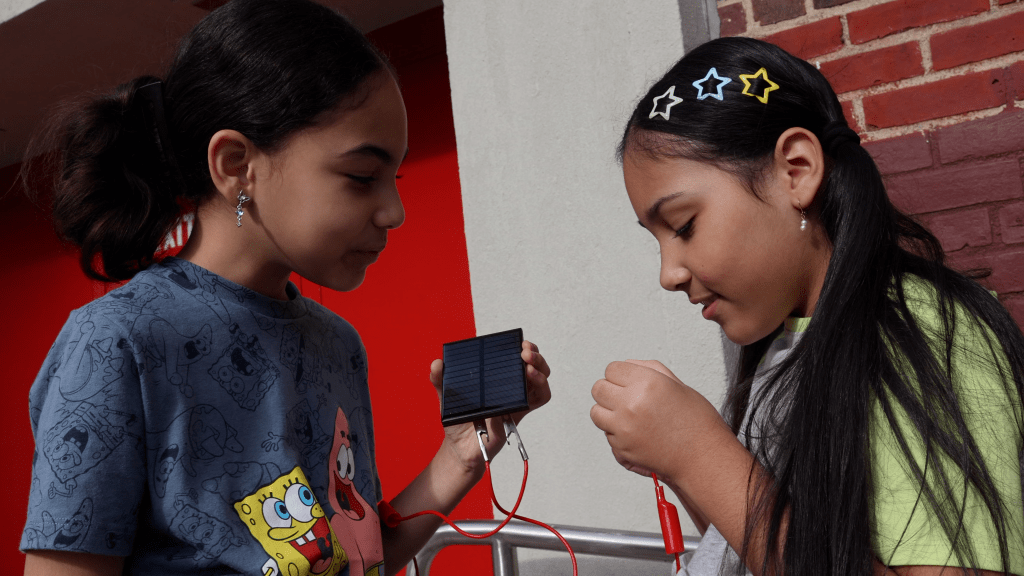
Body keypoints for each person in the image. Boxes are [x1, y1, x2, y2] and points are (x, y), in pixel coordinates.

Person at [19, 1, 552, 575]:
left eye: (392, 179)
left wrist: (461, 455)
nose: (394, 212)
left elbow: (356, 558)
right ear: (236, 164)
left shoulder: (338, 344)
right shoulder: (117, 342)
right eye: (361, 177)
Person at [590, 36, 1024, 576]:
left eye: (683, 225)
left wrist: (698, 454)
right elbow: (762, 545)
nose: (668, 273)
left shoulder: (928, 333)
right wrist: (678, 464)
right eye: (656, 239)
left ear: (796, 170)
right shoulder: (787, 341)